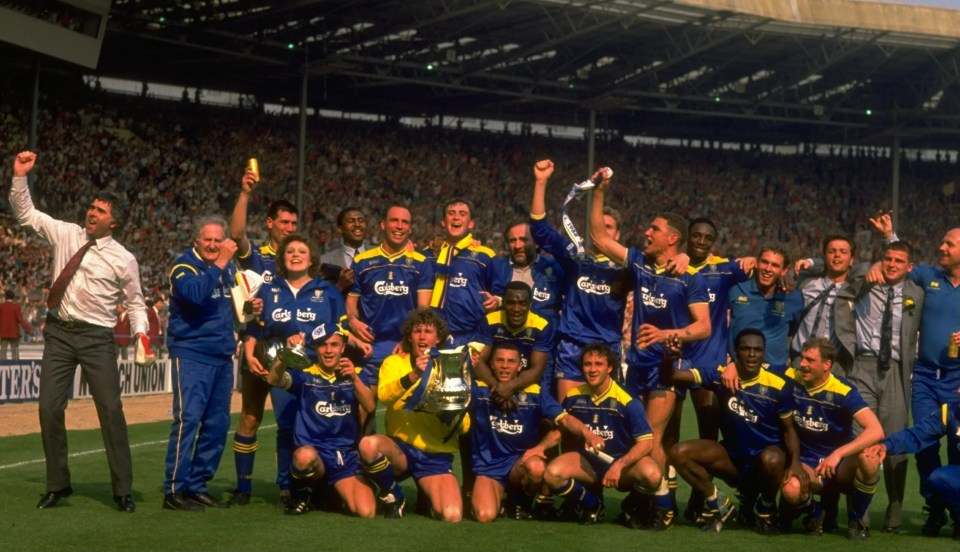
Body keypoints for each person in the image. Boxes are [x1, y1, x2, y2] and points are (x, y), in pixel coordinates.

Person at [11, 151, 148, 513]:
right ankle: (58, 484)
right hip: (58, 334)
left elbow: (135, 303)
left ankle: (122, 490)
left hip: (97, 339)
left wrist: (141, 334)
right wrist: (20, 177)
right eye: (92, 206)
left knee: (110, 409)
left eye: (101, 211)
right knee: (48, 408)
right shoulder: (67, 233)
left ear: (113, 223)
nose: (92, 212)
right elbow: (26, 214)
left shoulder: (124, 259)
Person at [588, 171, 709, 526]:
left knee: (651, 439)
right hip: (636, 366)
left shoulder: (689, 277)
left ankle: (664, 507)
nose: (646, 233)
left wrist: (667, 334)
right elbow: (597, 236)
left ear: (672, 239)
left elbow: (704, 326)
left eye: (654, 230)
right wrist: (599, 192)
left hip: (664, 370)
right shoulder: (640, 262)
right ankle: (646, 499)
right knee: (635, 436)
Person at [666, 329, 804, 534]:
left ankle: (765, 508)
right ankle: (719, 503)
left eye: (757, 350)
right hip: (732, 461)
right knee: (678, 452)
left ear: (764, 353)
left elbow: (789, 430)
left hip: (765, 465)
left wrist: (795, 462)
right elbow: (673, 375)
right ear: (735, 353)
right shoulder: (721, 375)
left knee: (773, 459)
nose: (751, 354)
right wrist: (670, 356)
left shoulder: (779, 385)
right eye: (745, 349)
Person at [876, 216, 960, 535]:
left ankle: (956, 508)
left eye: (948, 244)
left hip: (958, 380)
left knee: (956, 443)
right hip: (924, 376)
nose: (941, 247)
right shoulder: (929, 275)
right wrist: (889, 237)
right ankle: (934, 505)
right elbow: (899, 261)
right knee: (925, 444)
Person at [833, 239, 923, 533]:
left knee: (895, 444)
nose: (892, 264)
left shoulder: (917, 294)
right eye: (887, 259)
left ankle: (894, 510)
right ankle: (860, 514)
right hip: (862, 366)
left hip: (896, 371)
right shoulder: (865, 281)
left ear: (909, 267)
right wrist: (866, 269)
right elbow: (838, 268)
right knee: (861, 439)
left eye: (899, 261)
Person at [163, 216, 250, 511]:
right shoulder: (183, 267)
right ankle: (174, 490)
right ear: (196, 242)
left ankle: (197, 485)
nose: (213, 245)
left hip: (222, 357)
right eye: (208, 240)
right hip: (191, 354)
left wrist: (250, 309)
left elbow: (233, 309)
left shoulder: (226, 271)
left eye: (218, 240)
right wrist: (222, 261)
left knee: (217, 425)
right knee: (188, 420)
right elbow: (197, 295)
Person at [228, 167, 300, 506]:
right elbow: (236, 233)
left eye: (293, 224)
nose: (289, 229)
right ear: (270, 223)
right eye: (284, 222)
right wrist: (245, 194)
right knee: (251, 417)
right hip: (256, 345)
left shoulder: (301, 259)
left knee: (287, 421)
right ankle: (243, 487)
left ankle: (286, 485)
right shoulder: (258, 255)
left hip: (288, 351)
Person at [528, 160, 629, 400]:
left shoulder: (628, 268)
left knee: (606, 421)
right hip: (572, 345)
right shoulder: (576, 258)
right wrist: (541, 182)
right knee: (569, 416)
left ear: (617, 235)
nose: (602, 231)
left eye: (609, 228)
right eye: (599, 226)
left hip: (608, 348)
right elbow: (540, 230)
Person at [358, 308, 470, 522]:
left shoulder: (451, 368)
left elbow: (464, 425)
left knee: (452, 515)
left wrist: (445, 412)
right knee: (368, 445)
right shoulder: (395, 362)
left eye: (428, 331)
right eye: (417, 331)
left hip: (434, 456)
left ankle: (426, 494)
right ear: (409, 336)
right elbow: (384, 395)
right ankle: (394, 495)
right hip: (401, 450)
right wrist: (415, 374)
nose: (422, 336)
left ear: (438, 338)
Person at [469, 343, 598, 522]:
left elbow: (565, 419)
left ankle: (519, 501)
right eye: (500, 361)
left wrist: (586, 432)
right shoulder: (478, 389)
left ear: (519, 366)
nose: (505, 366)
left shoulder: (535, 392)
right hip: (489, 467)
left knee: (536, 468)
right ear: (491, 364)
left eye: (511, 362)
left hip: (519, 464)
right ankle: (497, 498)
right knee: (484, 516)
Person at [543, 343, 663, 527]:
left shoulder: (628, 400)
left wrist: (619, 466)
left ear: (610, 368)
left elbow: (646, 443)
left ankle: (631, 506)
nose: (592, 369)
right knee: (552, 474)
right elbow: (562, 431)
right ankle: (592, 504)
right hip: (587, 464)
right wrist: (538, 449)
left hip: (621, 466)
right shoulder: (573, 396)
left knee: (652, 474)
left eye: (598, 364)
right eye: (587, 364)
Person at [265, 326, 377, 517]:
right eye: (323, 345)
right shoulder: (306, 374)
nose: (328, 350)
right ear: (316, 348)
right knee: (303, 456)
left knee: (367, 512)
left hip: (345, 456)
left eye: (334, 345)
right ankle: (300, 494)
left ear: (343, 348)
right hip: (316, 455)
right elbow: (274, 379)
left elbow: (370, 406)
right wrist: (284, 355)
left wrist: (355, 378)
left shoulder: (355, 372)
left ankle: (325, 493)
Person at [779, 338, 884, 540]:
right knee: (791, 489)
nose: (802, 364)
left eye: (810, 360)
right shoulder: (793, 378)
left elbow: (876, 430)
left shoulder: (843, 390)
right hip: (809, 465)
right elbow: (762, 367)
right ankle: (817, 513)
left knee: (870, 457)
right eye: (802, 358)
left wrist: (838, 454)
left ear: (827, 364)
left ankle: (857, 519)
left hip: (841, 466)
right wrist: (731, 367)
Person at [348, 205, 433, 417]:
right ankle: (365, 451)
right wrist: (352, 320)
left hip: (404, 351)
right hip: (370, 350)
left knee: (406, 415)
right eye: (394, 221)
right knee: (363, 411)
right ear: (383, 224)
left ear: (410, 229)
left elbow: (423, 310)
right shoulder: (363, 261)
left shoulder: (421, 263)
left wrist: (407, 340)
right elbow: (351, 304)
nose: (399, 226)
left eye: (405, 222)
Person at [865, 389, 960, 541]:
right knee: (938, 478)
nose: (958, 390)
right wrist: (886, 446)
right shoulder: (950, 411)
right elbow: (917, 434)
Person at [425, 198, 498, 346]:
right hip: (432, 336)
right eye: (451, 213)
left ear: (471, 223)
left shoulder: (485, 255)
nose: (456, 217)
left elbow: (499, 290)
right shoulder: (428, 255)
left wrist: (497, 300)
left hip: (471, 335)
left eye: (462, 214)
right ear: (443, 222)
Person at [472, 281, 554, 408]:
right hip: (492, 381)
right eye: (511, 303)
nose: (516, 309)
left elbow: (537, 370)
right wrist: (499, 389)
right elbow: (477, 362)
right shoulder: (489, 320)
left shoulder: (542, 325)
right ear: (503, 303)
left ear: (530, 305)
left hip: (525, 383)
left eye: (522, 304)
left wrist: (510, 386)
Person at [728, 245, 802, 365]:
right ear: (756, 263)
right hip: (738, 369)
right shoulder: (736, 290)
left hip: (775, 372)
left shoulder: (793, 298)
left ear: (784, 271)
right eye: (764, 262)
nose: (768, 269)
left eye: (775, 265)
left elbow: (794, 330)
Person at [0, 289, 31, 359]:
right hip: (14, 332)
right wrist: (28, 330)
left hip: (3, 332)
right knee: (15, 352)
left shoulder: (1, 307)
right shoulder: (16, 307)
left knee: (3, 351)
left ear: (5, 297)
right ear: (13, 297)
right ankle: (16, 366)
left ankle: (3, 367)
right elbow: (21, 320)